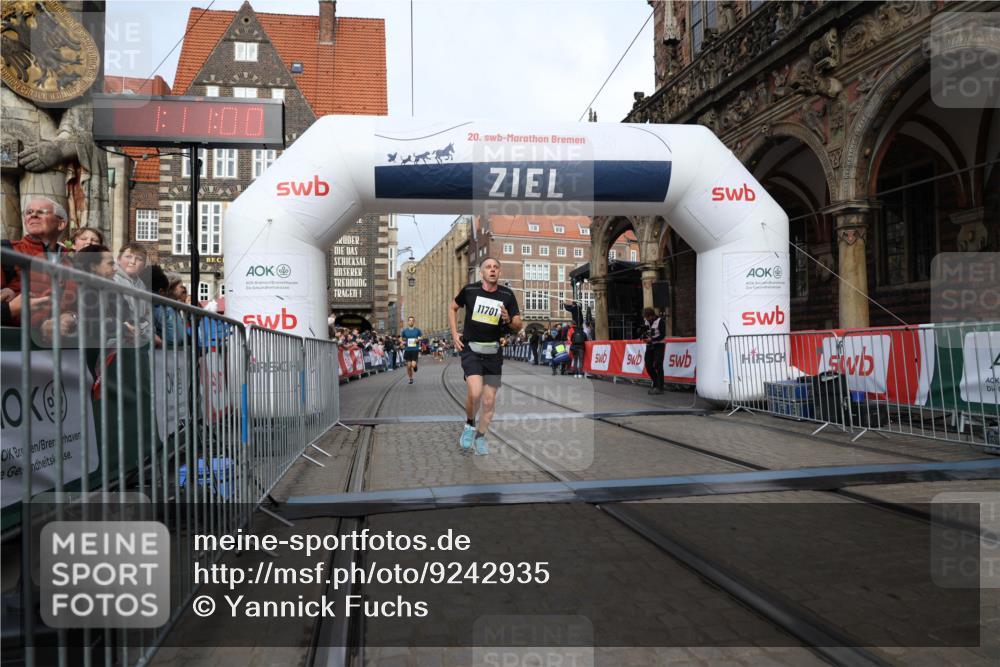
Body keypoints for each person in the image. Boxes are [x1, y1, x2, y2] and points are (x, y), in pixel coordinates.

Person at [450, 257, 522, 455]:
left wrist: (509, 320)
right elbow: (452, 307)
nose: (492, 270)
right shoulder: (470, 290)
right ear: (481, 272)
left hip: (493, 353)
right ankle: (469, 425)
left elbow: (518, 325)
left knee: (489, 401)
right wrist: (455, 334)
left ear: (499, 272)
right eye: (488, 267)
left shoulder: (507, 294)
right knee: (475, 392)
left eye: (496, 267)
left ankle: (480, 437)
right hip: (472, 349)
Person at [2, 196, 78, 339]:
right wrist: (11, 309)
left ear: (61, 224)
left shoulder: (74, 261)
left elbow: (87, 306)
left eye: (41, 211)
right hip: (13, 346)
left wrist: (72, 317)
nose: (33, 215)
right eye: (29, 212)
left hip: (64, 350)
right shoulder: (6, 251)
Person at [641, 307, 666, 395]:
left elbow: (662, 335)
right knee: (648, 364)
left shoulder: (660, 321)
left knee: (658, 364)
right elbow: (645, 333)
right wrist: (643, 337)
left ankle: (660, 387)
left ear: (651, 316)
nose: (646, 319)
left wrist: (651, 339)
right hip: (649, 346)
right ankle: (656, 383)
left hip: (659, 345)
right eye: (645, 318)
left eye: (647, 317)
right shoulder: (646, 321)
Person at [400, 316, 422, 384]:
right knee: (408, 366)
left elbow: (421, 337)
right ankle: (410, 378)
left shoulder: (417, 330)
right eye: (410, 320)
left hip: (415, 349)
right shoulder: (405, 331)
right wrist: (402, 342)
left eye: (412, 320)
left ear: (414, 322)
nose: (411, 321)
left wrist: (418, 339)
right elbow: (401, 338)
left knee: (413, 365)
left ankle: (415, 366)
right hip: (407, 350)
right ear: (408, 322)